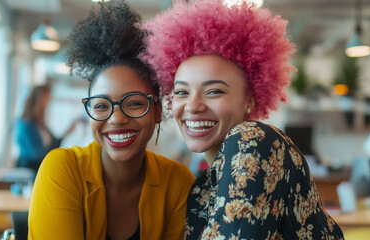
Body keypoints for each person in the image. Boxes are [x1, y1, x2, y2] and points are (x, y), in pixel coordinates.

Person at [141, 0, 344, 239]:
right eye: (182, 92)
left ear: (250, 100)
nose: (193, 106)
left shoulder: (254, 141)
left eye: (214, 91)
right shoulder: (200, 190)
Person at [28, 1, 195, 240]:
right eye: (101, 106)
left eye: (135, 103)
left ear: (157, 110)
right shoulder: (62, 170)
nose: (116, 118)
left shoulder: (177, 183)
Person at [15, 84, 75, 173]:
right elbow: (35, 154)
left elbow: (54, 143)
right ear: (37, 99)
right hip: (29, 172)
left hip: (40, 169)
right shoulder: (25, 123)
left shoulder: (41, 124)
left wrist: (68, 132)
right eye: (45, 98)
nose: (47, 102)